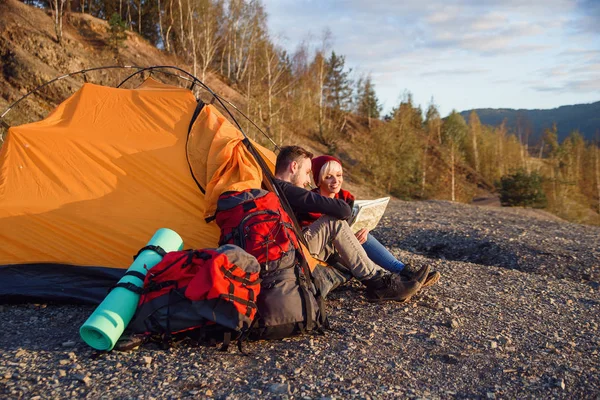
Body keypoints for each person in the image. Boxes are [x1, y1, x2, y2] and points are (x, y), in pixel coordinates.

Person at [273, 145, 430, 303]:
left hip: (293, 249)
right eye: (307, 173)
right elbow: (343, 210)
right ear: (294, 167)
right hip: (293, 253)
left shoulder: (275, 186)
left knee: (357, 234)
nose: (308, 181)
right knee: (333, 222)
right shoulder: (286, 189)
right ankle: (382, 284)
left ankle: (395, 279)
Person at [306, 155, 440, 287]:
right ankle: (391, 280)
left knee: (364, 235)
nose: (336, 181)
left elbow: (353, 222)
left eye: (339, 175)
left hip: (346, 245)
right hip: (326, 252)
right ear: (318, 180)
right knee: (352, 235)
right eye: (328, 177)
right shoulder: (311, 201)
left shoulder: (345, 197)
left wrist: (364, 228)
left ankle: (404, 272)